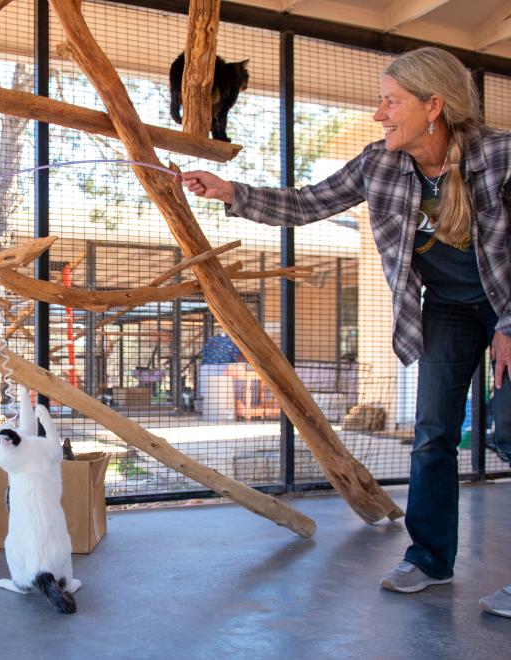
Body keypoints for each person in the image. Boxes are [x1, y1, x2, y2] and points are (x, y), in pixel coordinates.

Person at [182, 47, 511, 617]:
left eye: (391, 102)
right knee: (433, 433)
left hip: (507, 304)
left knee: (509, 432)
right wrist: (231, 191)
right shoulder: (378, 164)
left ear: (434, 106)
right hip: (447, 311)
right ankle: (430, 559)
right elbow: (307, 203)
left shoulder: (501, 156)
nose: (380, 114)